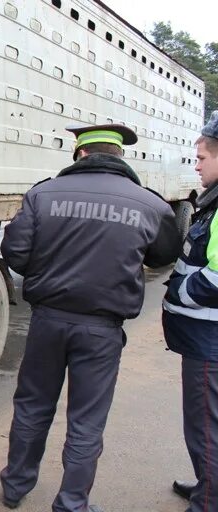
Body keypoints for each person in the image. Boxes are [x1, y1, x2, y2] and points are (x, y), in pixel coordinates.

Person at [0, 124, 181, 512]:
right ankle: (71, 502)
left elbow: (14, 252)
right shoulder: (149, 204)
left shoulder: (42, 194)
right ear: (119, 157)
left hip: (48, 320)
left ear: (80, 154)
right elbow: (164, 256)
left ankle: (15, 487)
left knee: (32, 405)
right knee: (86, 420)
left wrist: (48, 270)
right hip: (102, 330)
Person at [164, 111, 218, 512]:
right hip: (206, 338)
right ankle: (207, 484)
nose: (196, 165)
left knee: (205, 428)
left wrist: (180, 291)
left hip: (209, 342)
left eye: (202, 157)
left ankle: (208, 500)